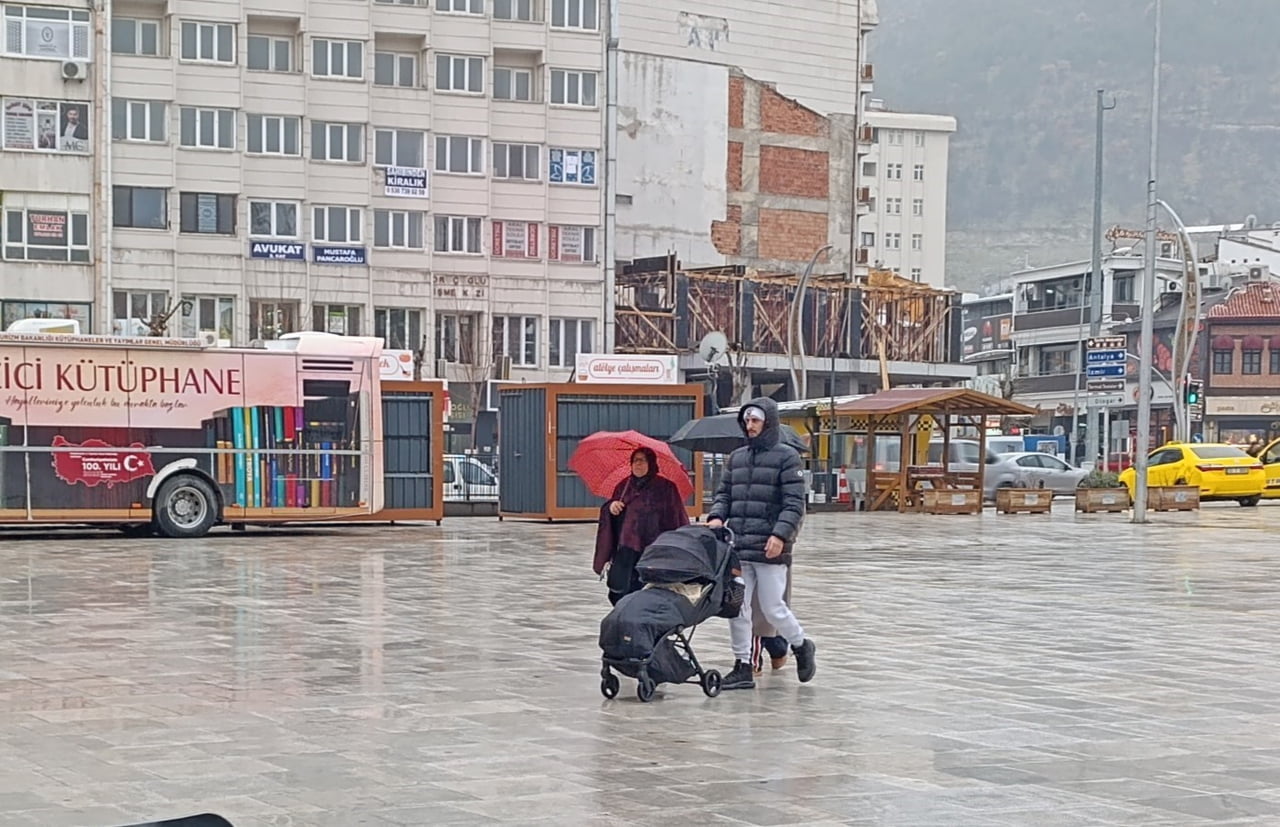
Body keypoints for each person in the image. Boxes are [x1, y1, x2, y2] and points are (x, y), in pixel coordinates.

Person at [708, 398, 815, 690]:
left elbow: (794, 504)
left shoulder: (787, 458)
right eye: (747, 420)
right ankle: (742, 664)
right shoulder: (737, 457)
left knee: (772, 608)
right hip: (739, 547)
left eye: (755, 420)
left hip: (769, 547)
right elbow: (724, 494)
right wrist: (717, 516)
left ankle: (801, 644)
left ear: (768, 422)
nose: (749, 425)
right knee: (737, 608)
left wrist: (780, 536)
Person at [593, 447, 689, 605]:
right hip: (627, 549)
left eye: (642, 460)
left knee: (648, 593)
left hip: (655, 550)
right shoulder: (624, 486)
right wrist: (611, 507)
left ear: (651, 463)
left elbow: (677, 517)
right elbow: (611, 515)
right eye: (635, 460)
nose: (638, 464)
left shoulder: (666, 488)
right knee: (621, 593)